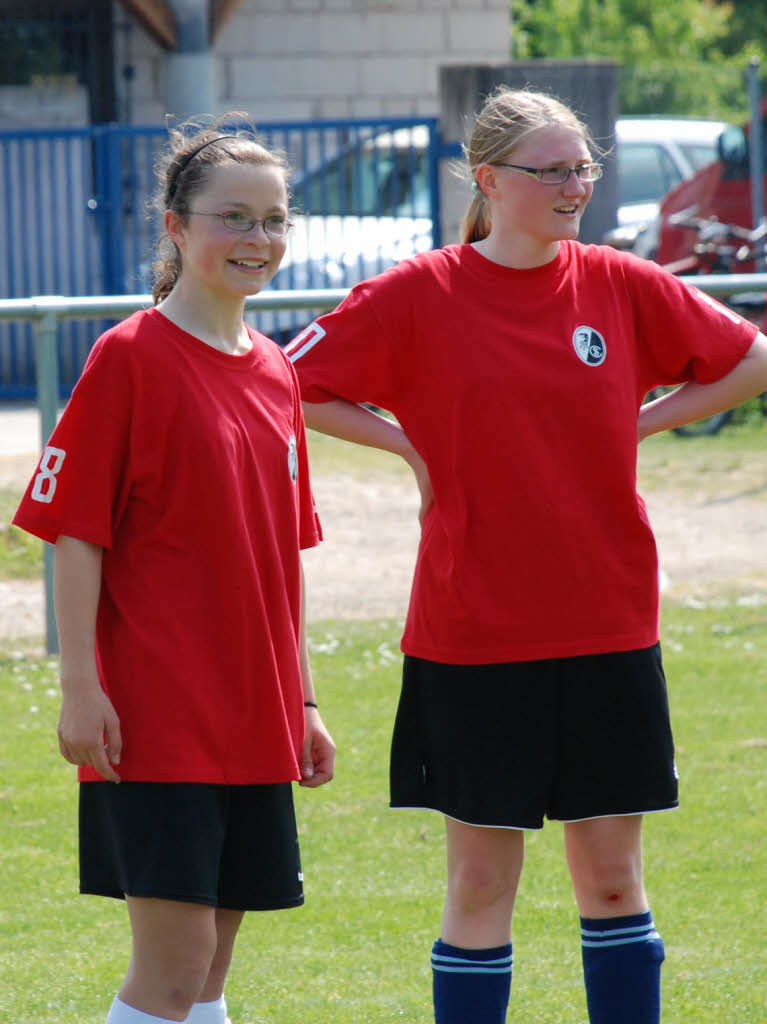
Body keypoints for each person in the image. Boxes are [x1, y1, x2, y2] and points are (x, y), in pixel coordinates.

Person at [284, 85, 767, 1024]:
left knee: (615, 884)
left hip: (606, 621)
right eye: (546, 171)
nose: (570, 187)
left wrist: (643, 420)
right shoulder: (417, 294)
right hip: (475, 631)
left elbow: (750, 357)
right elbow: (285, 378)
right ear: (485, 179)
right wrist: (406, 443)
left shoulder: (618, 282)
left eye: (580, 168)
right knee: (477, 889)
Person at [13, 114, 335, 1024]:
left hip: (252, 708)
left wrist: (303, 702)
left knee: (212, 968)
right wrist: (81, 686)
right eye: (234, 218)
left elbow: (283, 560)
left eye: (274, 220)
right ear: (177, 227)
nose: (258, 239)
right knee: (171, 966)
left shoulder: (276, 370)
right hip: (156, 709)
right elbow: (72, 532)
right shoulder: (129, 358)